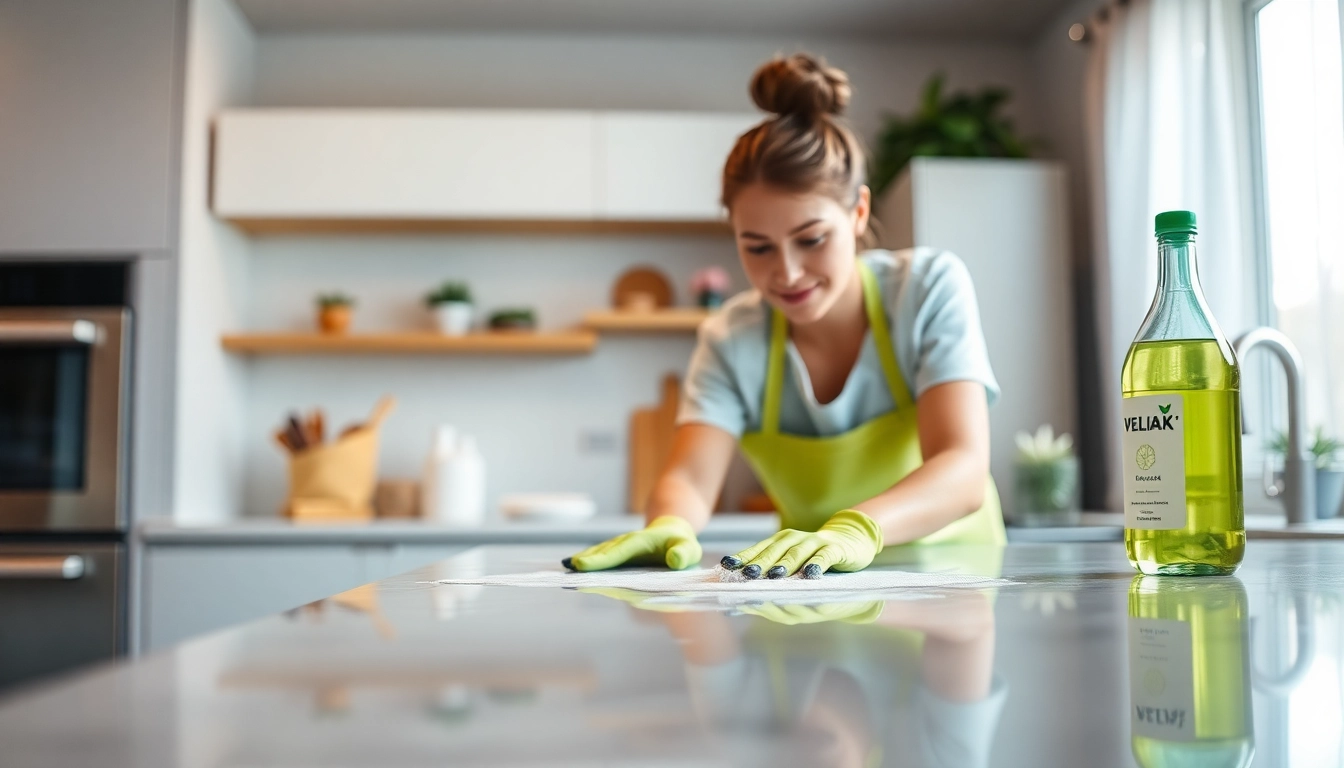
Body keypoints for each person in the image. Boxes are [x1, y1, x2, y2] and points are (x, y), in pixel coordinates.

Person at [565, 52, 1005, 579]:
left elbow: (962, 468)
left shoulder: (926, 289)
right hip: (807, 594)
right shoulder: (731, 338)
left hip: (953, 583)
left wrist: (855, 530)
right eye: (758, 248)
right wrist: (671, 523)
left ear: (858, 212)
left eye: (811, 239)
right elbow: (689, 477)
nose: (788, 273)